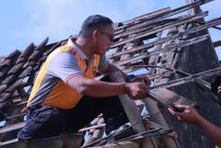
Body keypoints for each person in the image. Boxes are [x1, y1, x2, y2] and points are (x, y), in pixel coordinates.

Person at [18, 14, 149, 141]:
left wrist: (130, 79)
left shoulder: (96, 55)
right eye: (110, 38)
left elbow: (108, 69)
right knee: (52, 118)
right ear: (96, 34)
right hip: (42, 114)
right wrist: (126, 87)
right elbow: (83, 86)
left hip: (69, 114)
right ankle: (27, 137)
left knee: (112, 80)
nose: (111, 43)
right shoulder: (64, 56)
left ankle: (116, 129)